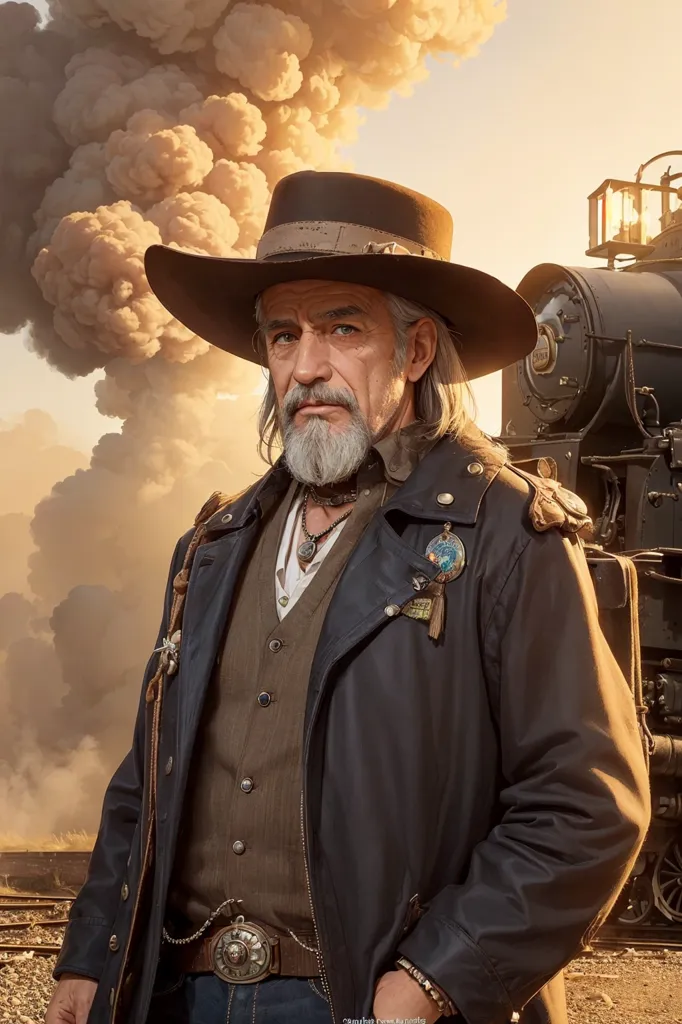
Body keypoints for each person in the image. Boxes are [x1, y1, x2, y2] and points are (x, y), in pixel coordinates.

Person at [45, 171, 650, 1024]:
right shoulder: (212, 547)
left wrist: (429, 983)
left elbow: (587, 808)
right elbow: (146, 781)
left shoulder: (506, 533)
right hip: (176, 997)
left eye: (342, 328)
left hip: (366, 1003)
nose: (307, 367)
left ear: (414, 352)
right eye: (284, 337)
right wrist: (90, 953)